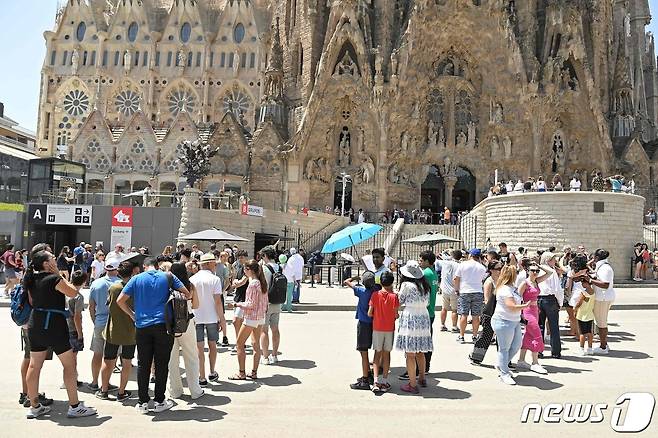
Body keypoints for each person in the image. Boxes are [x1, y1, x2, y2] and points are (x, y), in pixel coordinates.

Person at [24, 250, 98, 418]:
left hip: (36, 323)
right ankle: (74, 406)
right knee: (69, 365)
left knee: (34, 366)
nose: (55, 260)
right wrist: (59, 275)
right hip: (54, 326)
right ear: (45, 264)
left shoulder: (30, 279)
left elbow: (31, 301)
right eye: (52, 259)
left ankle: (34, 406)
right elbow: (73, 292)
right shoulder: (54, 278)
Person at [117, 257, 191, 414]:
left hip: (142, 326)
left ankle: (143, 402)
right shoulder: (168, 276)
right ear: (157, 266)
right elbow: (187, 294)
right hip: (163, 325)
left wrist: (132, 315)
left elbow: (120, 300)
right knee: (162, 364)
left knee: (143, 364)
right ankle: (159, 401)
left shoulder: (136, 279)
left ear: (144, 267)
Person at [96, 261, 139, 401]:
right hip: (130, 331)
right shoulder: (136, 288)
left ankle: (104, 390)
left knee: (108, 360)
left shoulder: (113, 287)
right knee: (127, 362)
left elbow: (109, 304)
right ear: (132, 272)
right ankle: (121, 392)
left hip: (113, 329)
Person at [491, 265, 533, 385]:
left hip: (513, 321)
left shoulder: (512, 288)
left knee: (516, 345)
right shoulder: (504, 289)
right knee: (504, 349)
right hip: (503, 321)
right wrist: (525, 307)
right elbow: (511, 306)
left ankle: (501, 365)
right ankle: (504, 373)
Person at [228, 259, 269, 381]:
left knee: (240, 344)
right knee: (256, 345)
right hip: (261, 317)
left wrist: (236, 305)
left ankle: (241, 373)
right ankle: (254, 372)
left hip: (251, 317)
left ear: (249, 270)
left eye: (245, 269)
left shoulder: (253, 284)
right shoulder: (262, 282)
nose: (244, 271)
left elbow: (250, 304)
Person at [395, 261, 432, 394]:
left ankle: (412, 383)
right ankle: (422, 377)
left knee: (410, 353)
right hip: (423, 315)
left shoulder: (406, 285)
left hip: (411, 315)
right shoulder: (424, 285)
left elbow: (399, 300)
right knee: (420, 351)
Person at [168, 261, 203, 399]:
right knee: (191, 356)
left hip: (170, 325)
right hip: (187, 323)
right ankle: (195, 390)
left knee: (172, 358)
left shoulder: (167, 286)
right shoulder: (190, 285)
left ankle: (175, 391)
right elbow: (196, 305)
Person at [87, 258, 121, 391]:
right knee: (111, 356)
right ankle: (106, 383)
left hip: (100, 322)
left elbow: (91, 306)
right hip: (115, 323)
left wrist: (94, 320)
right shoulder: (120, 284)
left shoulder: (96, 283)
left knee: (97, 353)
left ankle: (94, 382)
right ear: (117, 269)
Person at [191, 253, 223, 386]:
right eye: (214, 263)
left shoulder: (192, 279)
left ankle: (202, 376)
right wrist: (221, 318)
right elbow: (218, 302)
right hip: (211, 316)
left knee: (199, 347)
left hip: (196, 316)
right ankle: (212, 371)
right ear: (209, 264)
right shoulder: (215, 279)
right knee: (212, 345)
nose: (215, 265)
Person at [517, 263, 554, 374]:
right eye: (533, 270)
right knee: (537, 335)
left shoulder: (536, 281)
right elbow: (518, 297)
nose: (535, 272)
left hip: (535, 310)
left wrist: (538, 265)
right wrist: (520, 312)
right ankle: (535, 362)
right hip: (527, 311)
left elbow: (550, 272)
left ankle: (521, 360)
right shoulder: (525, 283)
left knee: (529, 335)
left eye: (537, 271)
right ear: (528, 271)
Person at [344, 271, 378, 391]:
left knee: (363, 353)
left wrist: (354, 277)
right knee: (373, 350)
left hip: (363, 323)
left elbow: (346, 282)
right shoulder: (376, 291)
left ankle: (365, 378)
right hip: (374, 324)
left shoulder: (361, 291)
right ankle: (371, 374)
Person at [368, 271, 399, 393]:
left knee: (377, 354)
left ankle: (376, 380)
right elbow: (396, 314)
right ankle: (385, 381)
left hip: (377, 328)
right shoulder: (394, 296)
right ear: (392, 282)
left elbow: (370, 312)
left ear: (380, 282)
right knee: (387, 354)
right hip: (389, 328)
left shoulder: (375, 295)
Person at [470, 260, 503, 365]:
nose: (500, 271)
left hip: (500, 311)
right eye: (498, 269)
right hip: (490, 312)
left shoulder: (501, 280)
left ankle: (504, 360)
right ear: (491, 270)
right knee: (486, 335)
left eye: (501, 268)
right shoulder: (489, 282)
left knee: (502, 337)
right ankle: (476, 356)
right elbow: (487, 300)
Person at [453, 249, 488, 343]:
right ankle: (475, 336)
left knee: (464, 315)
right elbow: (483, 279)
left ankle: (461, 336)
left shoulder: (463, 265)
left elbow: (456, 278)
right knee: (476, 316)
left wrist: (456, 289)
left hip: (465, 291)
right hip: (477, 291)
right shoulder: (482, 267)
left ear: (471, 255)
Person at [537, 252, 564, 359]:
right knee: (553, 327)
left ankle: (538, 351)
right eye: (553, 259)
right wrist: (560, 303)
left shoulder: (538, 270)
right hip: (550, 299)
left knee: (540, 326)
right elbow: (557, 289)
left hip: (538, 299)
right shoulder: (551, 271)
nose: (555, 262)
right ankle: (555, 352)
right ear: (548, 260)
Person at [259, 246, 283, 365]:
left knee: (264, 330)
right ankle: (275, 355)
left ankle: (265, 357)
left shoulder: (264, 268)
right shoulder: (279, 267)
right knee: (275, 329)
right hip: (277, 301)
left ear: (265, 256)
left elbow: (262, 286)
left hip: (266, 302)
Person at [590, 249, 615, 355]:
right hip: (602, 297)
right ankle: (604, 343)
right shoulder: (602, 266)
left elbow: (605, 284)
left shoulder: (605, 268)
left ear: (596, 257)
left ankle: (603, 347)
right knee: (601, 322)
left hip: (603, 298)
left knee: (601, 323)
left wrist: (590, 280)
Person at [418, 251, 438, 372]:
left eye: (421, 260)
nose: (419, 262)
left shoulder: (425, 274)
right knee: (428, 339)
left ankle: (420, 367)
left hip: (424, 311)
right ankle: (426, 366)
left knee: (420, 341)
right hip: (431, 312)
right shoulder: (434, 273)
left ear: (426, 261)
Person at [66, 270, 86, 387]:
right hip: (73, 330)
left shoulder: (65, 292)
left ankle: (70, 378)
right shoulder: (78, 296)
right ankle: (71, 379)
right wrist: (80, 334)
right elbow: (77, 317)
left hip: (63, 328)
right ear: (83, 282)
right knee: (73, 357)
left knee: (68, 357)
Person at [571, 268, 596, 355]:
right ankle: (590, 348)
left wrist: (575, 309)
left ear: (586, 283)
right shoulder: (593, 292)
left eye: (583, 282)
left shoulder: (583, 293)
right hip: (590, 314)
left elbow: (579, 303)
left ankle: (581, 349)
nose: (582, 284)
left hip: (582, 314)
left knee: (582, 333)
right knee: (589, 332)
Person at [436, 250, 461, 332]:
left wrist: (441, 255)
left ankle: (442, 325)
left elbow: (437, 262)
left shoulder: (445, 263)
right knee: (454, 310)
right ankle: (454, 326)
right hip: (454, 290)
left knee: (444, 308)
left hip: (444, 289)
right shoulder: (459, 265)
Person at [230, 249, 249, 350]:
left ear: (246, 257)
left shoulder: (248, 267)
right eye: (238, 258)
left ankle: (240, 342)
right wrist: (236, 282)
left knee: (236, 321)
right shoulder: (237, 267)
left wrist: (237, 282)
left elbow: (243, 282)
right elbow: (234, 282)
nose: (240, 259)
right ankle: (240, 342)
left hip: (245, 297)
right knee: (239, 321)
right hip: (238, 296)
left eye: (241, 257)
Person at [214, 251, 231, 346]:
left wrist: (222, 290)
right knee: (218, 316)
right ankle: (217, 336)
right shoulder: (220, 266)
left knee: (220, 316)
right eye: (224, 257)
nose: (225, 259)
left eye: (226, 257)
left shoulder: (223, 267)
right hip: (217, 293)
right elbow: (228, 282)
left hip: (217, 293)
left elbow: (228, 282)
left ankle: (224, 337)